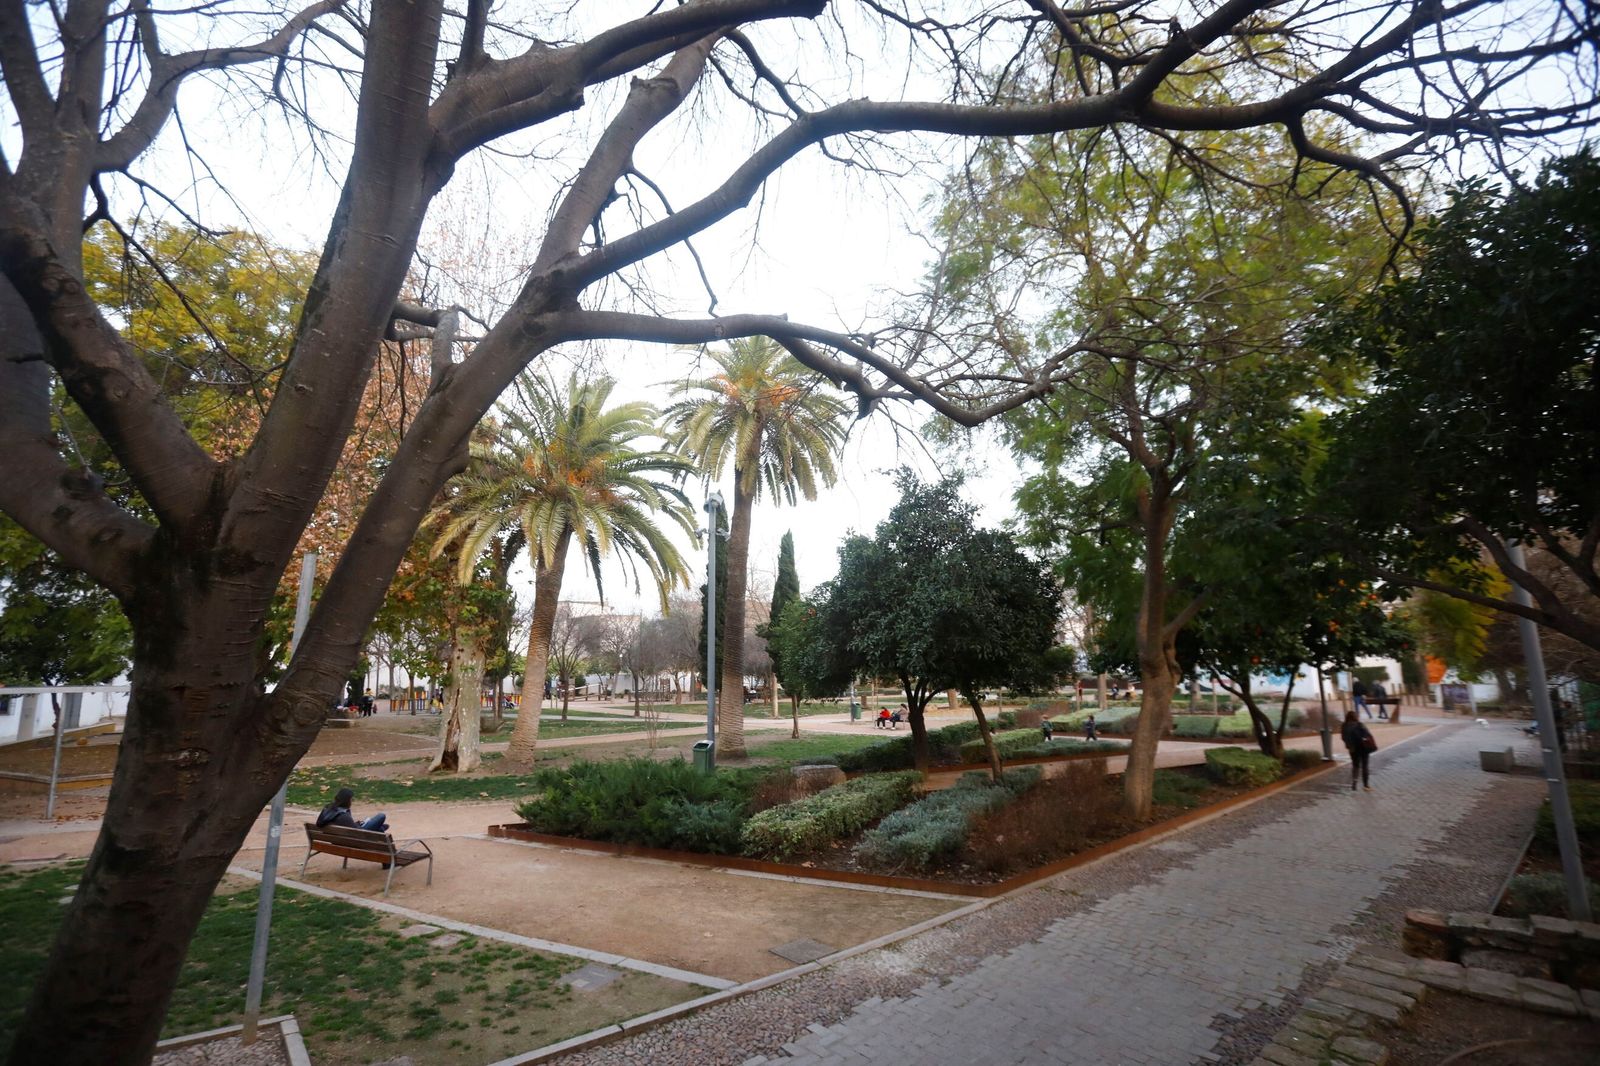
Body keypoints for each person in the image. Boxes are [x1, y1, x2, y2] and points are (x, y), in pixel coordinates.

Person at [317, 787, 389, 833]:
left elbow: (349, 827)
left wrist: (357, 824)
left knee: (379, 827)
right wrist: (361, 825)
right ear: (346, 801)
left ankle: (380, 827)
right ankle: (380, 828)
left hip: (337, 841)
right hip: (355, 841)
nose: (352, 801)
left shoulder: (327, 809)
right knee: (381, 816)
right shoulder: (343, 815)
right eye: (351, 800)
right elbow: (357, 832)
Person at [1341, 709, 1376, 792]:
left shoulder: (1344, 726)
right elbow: (1367, 734)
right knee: (1364, 766)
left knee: (1355, 766)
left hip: (1352, 749)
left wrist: (1349, 745)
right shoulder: (1359, 725)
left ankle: (1354, 783)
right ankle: (1366, 786)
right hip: (1363, 748)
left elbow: (1343, 737)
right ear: (1355, 717)